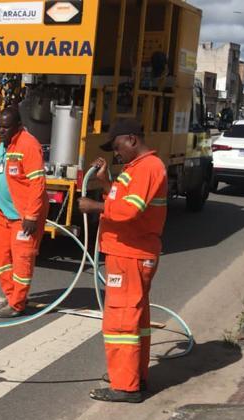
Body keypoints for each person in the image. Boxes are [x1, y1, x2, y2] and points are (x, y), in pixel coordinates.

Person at [77, 118, 168, 403]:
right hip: (128, 253)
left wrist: (94, 205)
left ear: (131, 139)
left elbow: (129, 211)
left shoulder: (148, 168)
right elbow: (124, 200)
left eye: (117, 147)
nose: (115, 154)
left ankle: (125, 386)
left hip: (131, 255)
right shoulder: (136, 169)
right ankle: (132, 376)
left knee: (121, 321)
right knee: (135, 321)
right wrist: (107, 184)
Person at [0, 106, 48, 317]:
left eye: (6, 127)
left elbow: (38, 183)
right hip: (2, 213)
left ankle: (17, 304)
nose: (1, 131)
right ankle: (12, 296)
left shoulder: (28, 145)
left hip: (23, 216)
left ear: (18, 127)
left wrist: (32, 216)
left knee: (22, 259)